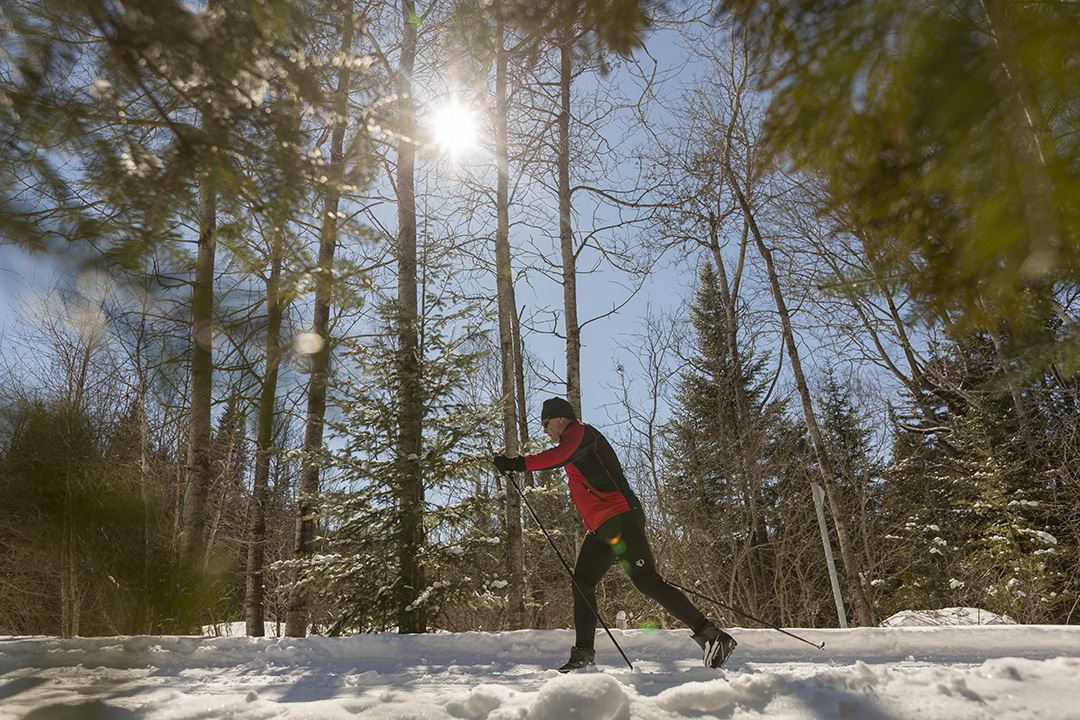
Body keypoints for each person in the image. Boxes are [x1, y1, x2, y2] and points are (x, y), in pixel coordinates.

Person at [493, 397, 737, 672]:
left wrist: (516, 464)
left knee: (647, 582)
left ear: (560, 418)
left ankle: (713, 635)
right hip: (601, 530)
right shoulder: (571, 444)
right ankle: (583, 654)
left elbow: (558, 456)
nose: (545, 431)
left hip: (621, 519)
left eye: (545, 424)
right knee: (582, 583)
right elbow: (563, 461)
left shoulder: (580, 433)